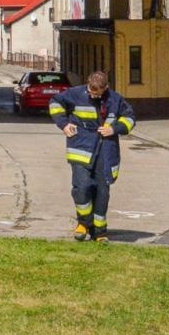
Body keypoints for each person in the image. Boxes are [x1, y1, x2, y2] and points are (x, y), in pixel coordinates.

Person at [49, 70, 136, 243]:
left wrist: (114, 129)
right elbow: (55, 103)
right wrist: (64, 124)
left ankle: (100, 231)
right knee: (82, 188)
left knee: (102, 192)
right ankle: (83, 223)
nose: (92, 95)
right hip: (80, 148)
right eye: (90, 91)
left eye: (96, 93)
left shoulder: (115, 99)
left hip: (106, 151)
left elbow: (130, 118)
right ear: (87, 84)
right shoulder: (76, 94)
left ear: (106, 88)